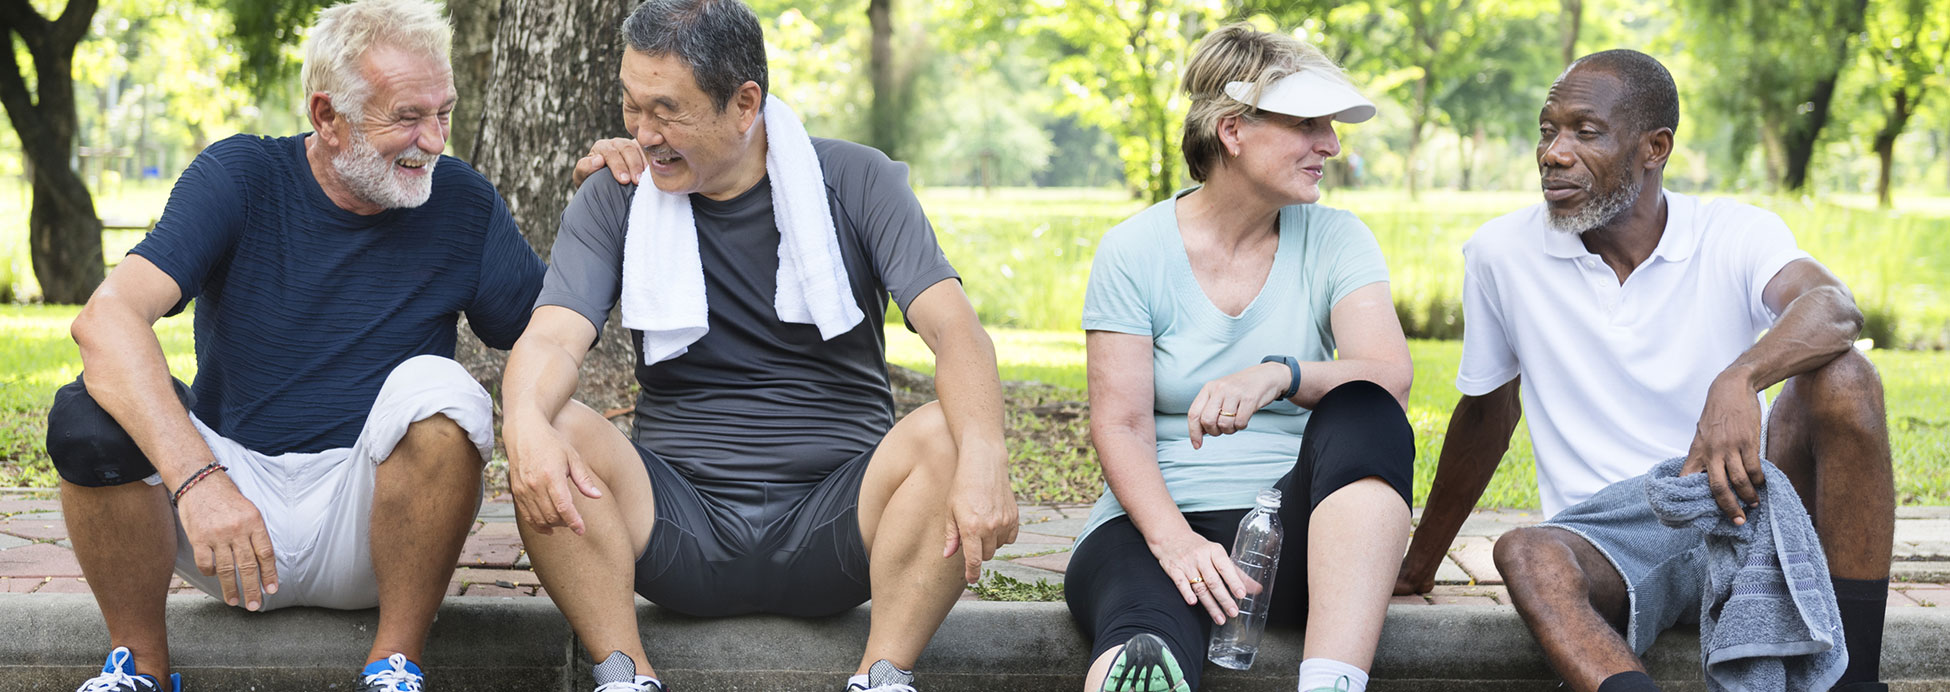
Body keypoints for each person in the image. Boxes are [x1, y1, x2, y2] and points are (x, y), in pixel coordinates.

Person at [500, 1, 1018, 690]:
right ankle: (624, 673)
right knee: (550, 424)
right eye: (631, 107)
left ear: (745, 104)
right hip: (677, 526)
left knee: (953, 434)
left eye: (666, 110)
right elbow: (553, 341)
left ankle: (883, 674)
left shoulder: (857, 182)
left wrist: (986, 455)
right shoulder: (617, 198)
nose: (644, 134)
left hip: (839, 528)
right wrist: (525, 427)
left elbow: (956, 332)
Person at [43, 1, 545, 690]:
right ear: (327, 117)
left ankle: (394, 665)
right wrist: (199, 479)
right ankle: (139, 669)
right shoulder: (242, 176)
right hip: (228, 517)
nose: (433, 140)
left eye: (444, 112)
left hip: (377, 522)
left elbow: (555, 328)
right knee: (89, 413)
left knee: (445, 390)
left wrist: (617, 196)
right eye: (407, 116)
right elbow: (106, 321)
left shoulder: (460, 201)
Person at [1395, 50, 1893, 692]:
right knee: (1525, 552)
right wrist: (1418, 564)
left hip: (1742, 508)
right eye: (1547, 130)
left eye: (1585, 131)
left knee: (1846, 378)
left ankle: (1855, 685)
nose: (1554, 152)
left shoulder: (1732, 232)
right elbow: (1487, 415)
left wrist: (1737, 379)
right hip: (1610, 540)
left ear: (1653, 147)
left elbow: (1833, 306)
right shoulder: (1501, 254)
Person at [1065, 24, 1416, 692]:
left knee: (1366, 408)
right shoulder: (1134, 250)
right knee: (1144, 644)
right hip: (1154, 530)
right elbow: (1121, 426)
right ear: (1233, 130)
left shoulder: (1338, 239)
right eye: (1309, 124)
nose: (1331, 146)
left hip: (1305, 545)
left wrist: (1278, 374)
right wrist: (1179, 544)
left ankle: (1332, 683)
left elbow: (1390, 378)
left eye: (1332, 127)